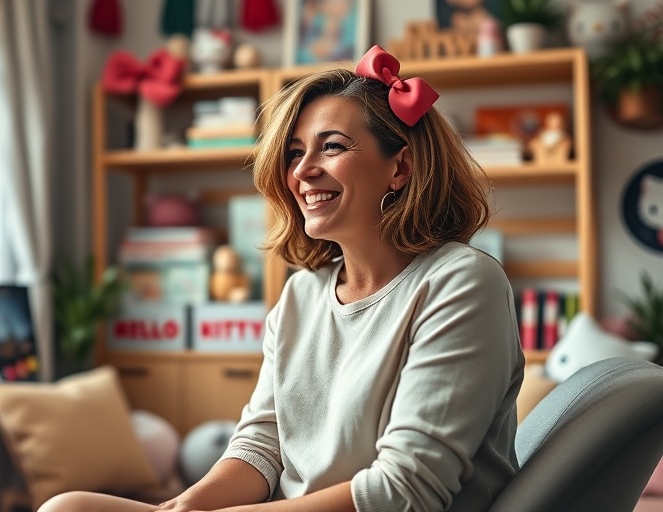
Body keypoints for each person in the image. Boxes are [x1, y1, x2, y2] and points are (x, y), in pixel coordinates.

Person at [39, 44, 524, 512]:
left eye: (332, 147)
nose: (304, 171)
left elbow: (404, 491)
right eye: (294, 153)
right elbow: (262, 444)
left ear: (400, 167)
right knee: (67, 507)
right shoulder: (302, 293)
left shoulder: (463, 281)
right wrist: (184, 507)